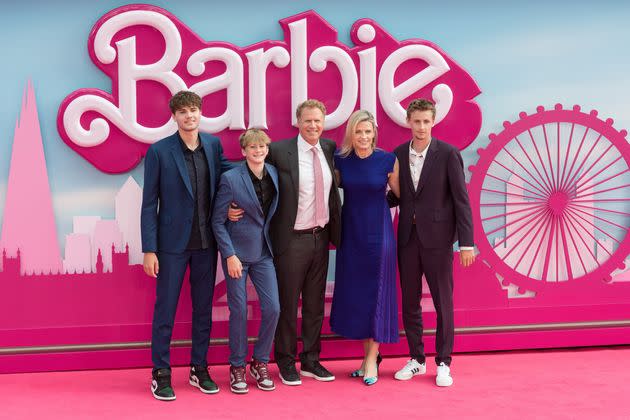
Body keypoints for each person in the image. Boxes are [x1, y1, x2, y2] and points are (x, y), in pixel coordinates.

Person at [141, 90, 235, 401]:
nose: (189, 116)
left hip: (207, 244)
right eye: (183, 112)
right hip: (171, 247)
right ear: (174, 117)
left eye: (193, 110)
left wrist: (237, 200)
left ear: (200, 113)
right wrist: (149, 249)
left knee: (203, 311)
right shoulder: (159, 152)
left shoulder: (213, 145)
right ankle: (161, 373)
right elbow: (149, 203)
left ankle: (199, 368)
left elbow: (228, 178)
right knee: (165, 310)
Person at [389, 99, 475, 387]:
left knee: (443, 303)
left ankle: (444, 362)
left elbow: (462, 201)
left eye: (426, 121)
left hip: (439, 240)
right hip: (407, 240)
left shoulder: (449, 154)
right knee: (410, 302)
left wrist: (466, 243)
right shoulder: (398, 154)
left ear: (433, 122)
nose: (421, 126)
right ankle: (416, 358)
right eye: (417, 121)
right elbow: (399, 196)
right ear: (409, 122)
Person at [266, 99, 342, 385]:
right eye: (307, 120)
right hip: (290, 240)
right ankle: (286, 361)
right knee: (287, 304)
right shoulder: (278, 151)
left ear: (324, 123)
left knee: (314, 304)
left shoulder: (330, 149)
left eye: (318, 121)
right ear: (297, 122)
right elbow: (257, 181)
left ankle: (311, 360)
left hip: (320, 238)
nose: (313, 125)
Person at [329, 110, 400, 386]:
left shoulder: (387, 159)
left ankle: (373, 359)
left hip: (379, 232)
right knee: (359, 295)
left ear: (374, 134)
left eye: (368, 131)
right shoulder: (341, 160)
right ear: (351, 133)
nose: (363, 136)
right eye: (359, 131)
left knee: (377, 291)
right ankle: (366, 358)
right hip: (352, 234)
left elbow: (400, 194)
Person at [211, 129, 280, 394]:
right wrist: (229, 255)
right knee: (239, 312)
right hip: (237, 256)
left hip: (264, 253)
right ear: (243, 151)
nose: (258, 150)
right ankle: (237, 365)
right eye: (252, 147)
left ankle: (259, 361)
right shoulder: (230, 178)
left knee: (273, 308)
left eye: (262, 146)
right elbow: (217, 221)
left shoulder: (274, 174)